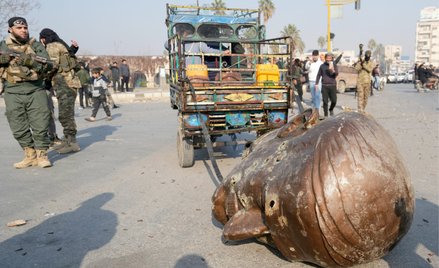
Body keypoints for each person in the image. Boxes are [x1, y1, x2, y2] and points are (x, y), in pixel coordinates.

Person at [0, 17, 53, 168]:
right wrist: (5, 58)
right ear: (10, 29)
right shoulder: (3, 45)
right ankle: (29, 155)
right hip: (12, 90)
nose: (23, 30)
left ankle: (42, 155)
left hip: (35, 89)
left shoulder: (35, 45)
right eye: (19, 28)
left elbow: (49, 65)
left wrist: (27, 61)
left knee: (40, 122)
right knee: (17, 124)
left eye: (25, 27)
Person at [39, 28, 82, 154]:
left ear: (43, 38)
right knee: (65, 114)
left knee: (65, 115)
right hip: (66, 83)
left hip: (65, 84)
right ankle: (67, 141)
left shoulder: (52, 46)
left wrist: (42, 76)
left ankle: (72, 143)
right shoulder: (60, 45)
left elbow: (52, 65)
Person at [316, 53, 339, 117]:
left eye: (330, 58)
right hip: (324, 86)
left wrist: (332, 70)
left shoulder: (334, 64)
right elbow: (318, 75)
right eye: (327, 58)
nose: (328, 59)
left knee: (334, 101)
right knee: (325, 102)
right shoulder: (322, 66)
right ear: (325, 58)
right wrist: (316, 84)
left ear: (332, 59)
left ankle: (331, 109)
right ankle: (326, 115)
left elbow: (336, 74)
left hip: (332, 85)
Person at [308, 50, 323, 114]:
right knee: (313, 97)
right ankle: (314, 110)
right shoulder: (309, 63)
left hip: (318, 82)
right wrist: (310, 63)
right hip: (311, 81)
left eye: (315, 56)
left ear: (318, 56)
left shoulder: (321, 63)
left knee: (317, 96)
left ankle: (318, 111)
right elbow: (306, 68)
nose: (314, 57)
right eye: (313, 56)